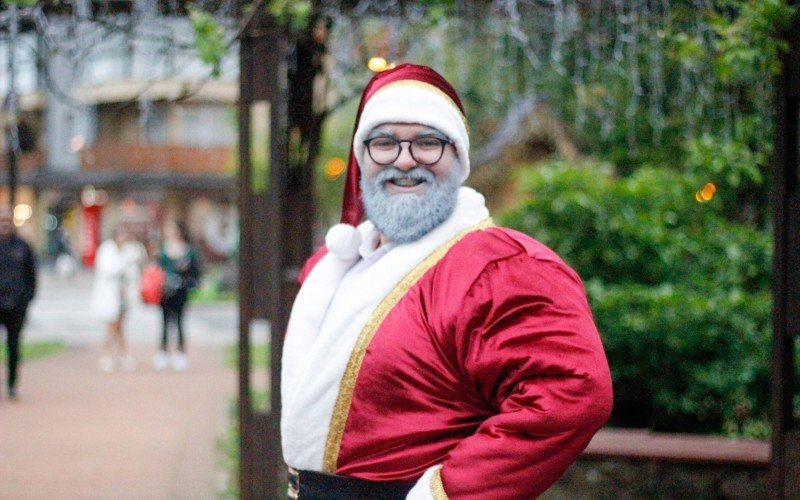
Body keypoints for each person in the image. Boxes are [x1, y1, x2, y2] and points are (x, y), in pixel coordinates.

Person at [280, 64, 613, 499]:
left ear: (458, 158)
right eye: (384, 143)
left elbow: (572, 392)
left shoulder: (498, 268)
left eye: (427, 143)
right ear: (362, 160)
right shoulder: (331, 266)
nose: (404, 160)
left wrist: (444, 493)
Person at [91, 225, 143, 372]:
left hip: (124, 295)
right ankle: (108, 353)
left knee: (120, 325)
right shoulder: (107, 250)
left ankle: (122, 353)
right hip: (110, 295)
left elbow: (134, 271)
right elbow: (109, 269)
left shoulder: (129, 251)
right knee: (111, 325)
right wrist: (125, 262)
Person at [152, 220, 200, 372]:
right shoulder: (163, 249)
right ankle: (163, 352)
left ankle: (180, 353)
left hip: (181, 291)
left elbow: (196, 272)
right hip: (165, 292)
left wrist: (187, 275)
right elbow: (157, 268)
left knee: (179, 322)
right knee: (164, 322)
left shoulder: (189, 251)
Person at [0, 205, 37, 401]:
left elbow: (31, 276)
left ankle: (12, 385)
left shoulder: (22, 246)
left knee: (14, 347)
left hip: (16, 306)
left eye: (7, 219)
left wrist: (26, 299)